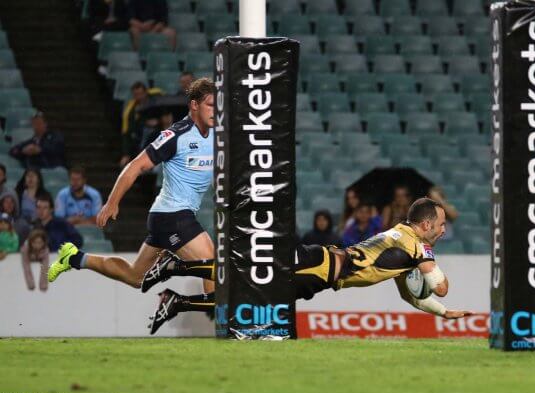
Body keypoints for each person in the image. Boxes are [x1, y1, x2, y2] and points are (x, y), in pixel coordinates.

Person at [147, 198, 473, 334]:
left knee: (249, 298)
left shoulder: (406, 246)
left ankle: (179, 301)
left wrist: (444, 314)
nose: (445, 230)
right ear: (427, 225)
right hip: (319, 265)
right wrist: (431, 266)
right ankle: (177, 268)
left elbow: (411, 296)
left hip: (319, 273)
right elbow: (439, 285)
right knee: (247, 282)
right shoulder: (415, 244)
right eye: (441, 224)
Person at [47, 78, 217, 299]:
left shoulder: (217, 134)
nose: (216, 110)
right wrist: (112, 202)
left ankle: (75, 258)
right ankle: (221, 327)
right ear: (194, 105)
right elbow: (135, 166)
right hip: (172, 216)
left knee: (135, 277)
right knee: (211, 265)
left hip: (169, 217)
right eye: (211, 105)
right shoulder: (176, 136)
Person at [120, 82, 164, 167]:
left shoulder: (157, 102)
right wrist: (126, 154)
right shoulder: (131, 111)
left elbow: (167, 118)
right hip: (140, 142)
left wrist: (158, 121)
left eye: (141, 94)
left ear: (146, 92)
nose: (139, 97)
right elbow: (127, 132)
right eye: (136, 94)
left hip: (158, 137)